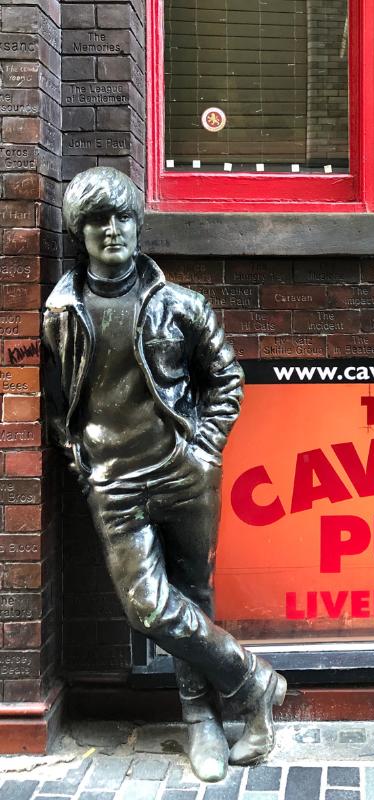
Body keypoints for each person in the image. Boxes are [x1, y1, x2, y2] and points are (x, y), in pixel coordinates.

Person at [42, 167, 286, 782]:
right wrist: (81, 458)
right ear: (80, 231)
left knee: (192, 596)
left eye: (123, 216)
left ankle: (203, 721)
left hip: (184, 473)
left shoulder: (180, 305)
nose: (114, 229)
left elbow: (226, 379)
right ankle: (254, 682)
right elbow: (51, 400)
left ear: (138, 223)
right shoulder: (62, 314)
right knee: (148, 609)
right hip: (115, 483)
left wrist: (203, 448)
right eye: (99, 220)